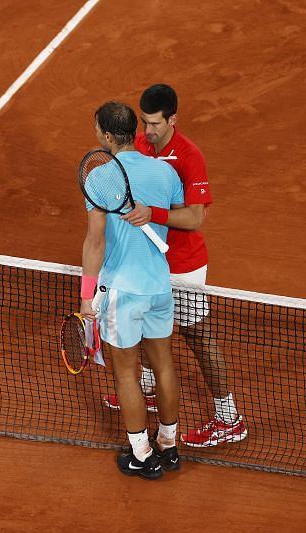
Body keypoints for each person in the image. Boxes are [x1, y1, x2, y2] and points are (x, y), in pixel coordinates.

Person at [104, 84, 248, 448]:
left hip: (183, 264)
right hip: (150, 262)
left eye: (155, 124)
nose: (148, 132)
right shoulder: (138, 145)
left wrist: (153, 214)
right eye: (145, 123)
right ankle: (149, 392)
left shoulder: (188, 155)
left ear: (173, 120)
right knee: (151, 329)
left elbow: (196, 218)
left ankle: (228, 417)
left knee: (197, 336)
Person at [81, 101, 184, 479]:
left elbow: (96, 243)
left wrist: (86, 295)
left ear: (107, 136)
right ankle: (169, 445)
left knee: (126, 374)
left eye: (97, 130)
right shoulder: (165, 173)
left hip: (123, 292)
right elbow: (173, 217)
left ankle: (142, 452)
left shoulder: (101, 178)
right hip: (159, 286)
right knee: (164, 365)